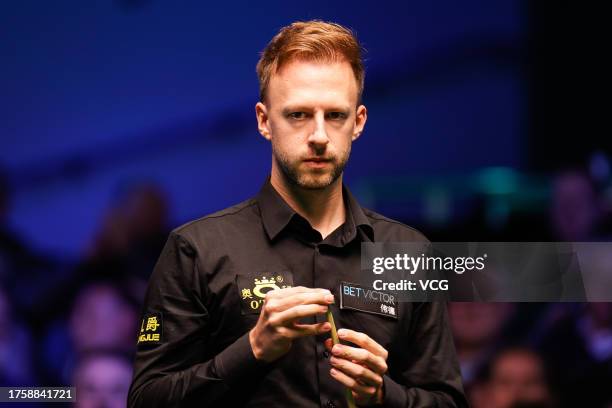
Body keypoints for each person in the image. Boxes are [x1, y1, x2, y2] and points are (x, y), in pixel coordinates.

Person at [128, 20, 467, 407]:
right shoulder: (197, 250)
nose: (319, 136)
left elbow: (449, 401)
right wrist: (252, 348)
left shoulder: (407, 251)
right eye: (298, 115)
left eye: (335, 116)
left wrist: (382, 395)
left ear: (358, 123)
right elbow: (145, 401)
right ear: (264, 121)